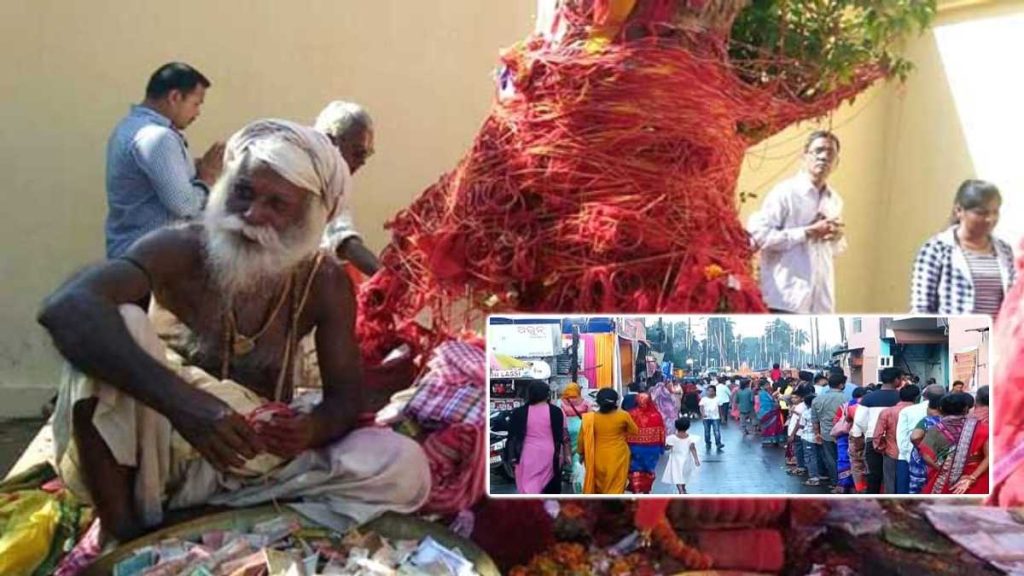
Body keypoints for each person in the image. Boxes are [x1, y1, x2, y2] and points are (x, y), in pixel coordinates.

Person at [39, 120, 428, 541]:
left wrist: (312, 429)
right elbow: (67, 308)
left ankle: (204, 523)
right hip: (158, 460)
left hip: (254, 462)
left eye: (277, 204)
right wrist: (188, 407)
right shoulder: (179, 248)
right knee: (118, 328)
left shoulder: (324, 280)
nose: (252, 214)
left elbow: (345, 396)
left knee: (403, 465)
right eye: (243, 192)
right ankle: (124, 533)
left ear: (311, 219)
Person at [105, 63, 224, 261]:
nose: (197, 113)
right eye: (196, 103)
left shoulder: (129, 128)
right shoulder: (158, 138)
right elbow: (185, 205)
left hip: (134, 258)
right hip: (150, 263)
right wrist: (208, 176)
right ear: (175, 97)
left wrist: (195, 170)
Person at [747, 130, 845, 313]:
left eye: (830, 153)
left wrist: (836, 236)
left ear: (836, 163)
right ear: (804, 157)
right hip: (785, 299)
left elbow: (833, 251)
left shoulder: (835, 201)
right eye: (818, 151)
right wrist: (807, 232)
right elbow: (760, 237)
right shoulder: (785, 193)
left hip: (820, 304)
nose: (824, 157)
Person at [910, 179, 1016, 316]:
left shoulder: (1005, 251)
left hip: (995, 336)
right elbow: (921, 309)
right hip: (952, 335)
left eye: (995, 212)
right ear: (959, 211)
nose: (990, 219)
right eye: (981, 213)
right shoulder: (936, 249)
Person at [314, 101, 381, 276]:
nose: (363, 161)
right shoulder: (315, 178)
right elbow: (344, 241)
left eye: (367, 154)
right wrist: (387, 281)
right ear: (331, 141)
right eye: (358, 152)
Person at [917, 393, 990, 495]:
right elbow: (990, 457)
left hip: (945, 481)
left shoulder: (936, 430)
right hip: (976, 479)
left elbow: (926, 457)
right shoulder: (982, 428)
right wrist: (972, 478)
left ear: (941, 409)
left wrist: (946, 469)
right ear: (966, 409)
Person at [852, 367, 903, 494]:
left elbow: (859, 421)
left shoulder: (868, 398)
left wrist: (865, 433)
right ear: (896, 380)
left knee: (874, 475)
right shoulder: (902, 398)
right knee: (893, 475)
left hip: (872, 439)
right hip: (897, 441)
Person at [508, 381, 565, 494]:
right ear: (547, 394)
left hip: (526, 453)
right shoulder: (556, 412)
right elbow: (561, 435)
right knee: (547, 482)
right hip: (549, 452)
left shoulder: (519, 412)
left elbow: (512, 436)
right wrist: (565, 455)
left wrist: (512, 456)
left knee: (528, 483)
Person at [578, 388, 638, 494]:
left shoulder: (589, 419)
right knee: (616, 487)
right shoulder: (623, 415)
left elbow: (582, 440)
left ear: (598, 402)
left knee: (599, 488)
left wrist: (581, 454)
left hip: (596, 457)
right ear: (616, 401)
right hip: (618, 456)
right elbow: (634, 431)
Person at [895, 384, 946, 493]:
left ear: (923, 396)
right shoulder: (948, 414)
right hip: (943, 461)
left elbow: (902, 438)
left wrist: (916, 454)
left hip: (911, 458)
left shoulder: (908, 411)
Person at [872, 384, 919, 494]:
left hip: (892, 451)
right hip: (915, 453)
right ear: (917, 397)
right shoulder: (920, 412)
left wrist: (881, 448)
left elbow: (877, 434)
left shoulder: (887, 412)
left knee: (890, 483)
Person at [812, 373, 848, 491]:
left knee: (831, 459)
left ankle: (835, 482)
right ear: (841, 385)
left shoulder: (817, 399)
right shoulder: (847, 399)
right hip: (844, 433)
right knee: (844, 458)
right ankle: (845, 483)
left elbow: (815, 420)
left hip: (826, 433)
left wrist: (817, 433)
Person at [626, 393, 666, 493]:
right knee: (649, 470)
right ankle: (646, 490)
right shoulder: (656, 415)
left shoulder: (631, 414)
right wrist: (662, 447)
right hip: (652, 448)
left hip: (634, 447)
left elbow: (625, 431)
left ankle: (636, 488)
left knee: (635, 469)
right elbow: (662, 431)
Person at [909, 394, 944, 494]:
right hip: (942, 464)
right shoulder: (949, 421)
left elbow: (915, 437)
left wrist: (922, 449)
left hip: (922, 466)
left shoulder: (927, 421)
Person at [662, 417, 701, 494]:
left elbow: (667, 448)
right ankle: (683, 487)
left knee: (677, 475)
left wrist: (663, 447)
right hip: (687, 458)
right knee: (684, 474)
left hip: (675, 459)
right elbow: (692, 448)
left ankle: (680, 489)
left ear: (676, 426)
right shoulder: (691, 438)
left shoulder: (672, 438)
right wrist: (696, 459)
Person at [847, 387, 870, 493]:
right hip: (870, 437)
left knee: (856, 464)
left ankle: (859, 489)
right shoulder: (872, 406)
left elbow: (847, 419)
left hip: (855, 437)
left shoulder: (852, 407)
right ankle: (869, 488)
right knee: (869, 464)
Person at [757, 380, 786, 447]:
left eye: (769, 385)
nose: (769, 386)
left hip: (771, 411)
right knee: (769, 427)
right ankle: (769, 440)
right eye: (767, 385)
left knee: (774, 427)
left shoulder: (766, 393)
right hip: (768, 412)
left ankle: (774, 440)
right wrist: (775, 404)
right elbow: (766, 403)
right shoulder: (762, 393)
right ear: (762, 386)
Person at [700, 385, 724, 451]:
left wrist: (722, 416)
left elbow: (720, 408)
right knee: (707, 432)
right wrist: (703, 414)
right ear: (707, 391)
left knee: (716, 431)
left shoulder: (718, 399)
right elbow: (701, 407)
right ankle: (708, 442)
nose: (710, 392)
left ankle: (718, 443)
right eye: (709, 391)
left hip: (716, 417)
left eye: (712, 391)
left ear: (715, 392)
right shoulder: (704, 399)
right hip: (706, 418)